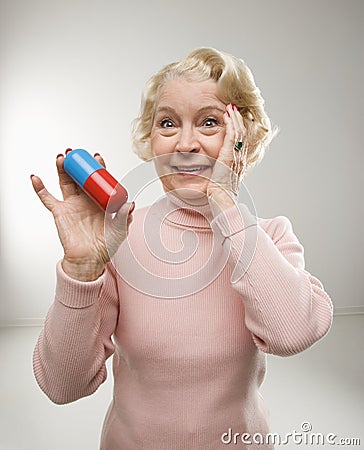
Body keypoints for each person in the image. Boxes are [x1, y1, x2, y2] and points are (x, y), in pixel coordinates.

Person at [31, 47, 333, 450]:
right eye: (168, 123)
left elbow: (293, 334)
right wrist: (82, 270)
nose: (185, 143)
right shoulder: (121, 238)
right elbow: (61, 385)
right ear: (152, 139)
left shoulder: (269, 237)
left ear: (242, 138)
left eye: (209, 122)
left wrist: (225, 204)